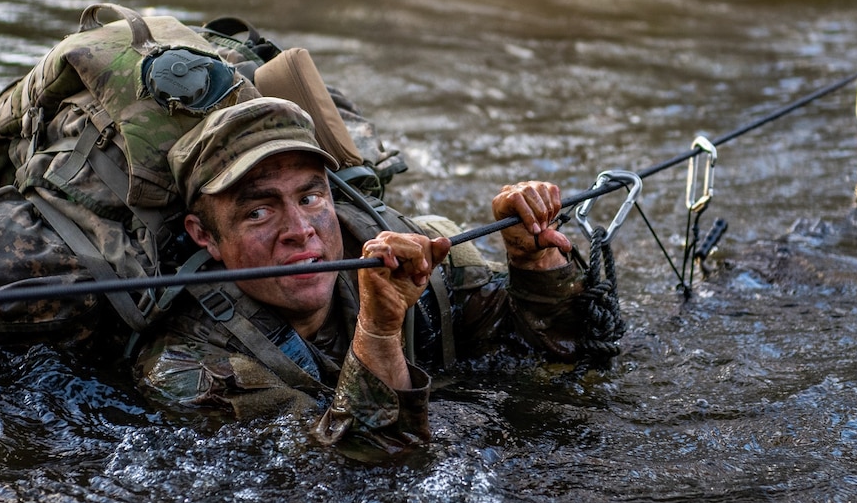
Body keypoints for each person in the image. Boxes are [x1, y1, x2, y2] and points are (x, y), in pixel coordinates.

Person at [133, 96, 597, 452]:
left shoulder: (416, 253)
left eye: (311, 198)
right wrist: (379, 329)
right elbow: (354, 475)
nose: (300, 231)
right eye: (258, 211)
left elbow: (568, 356)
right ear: (205, 235)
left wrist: (533, 261)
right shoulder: (184, 367)